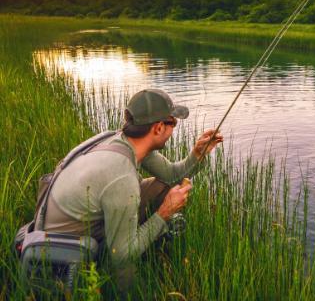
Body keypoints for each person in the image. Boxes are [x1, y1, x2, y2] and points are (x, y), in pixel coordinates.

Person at [42, 88, 223, 289]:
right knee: (126, 264)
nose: (175, 128)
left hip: (82, 219)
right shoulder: (121, 176)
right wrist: (164, 214)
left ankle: (142, 243)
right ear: (158, 128)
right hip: (69, 246)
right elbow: (120, 256)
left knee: (163, 185)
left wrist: (198, 154)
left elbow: (172, 176)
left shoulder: (124, 141)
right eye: (173, 123)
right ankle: (127, 291)